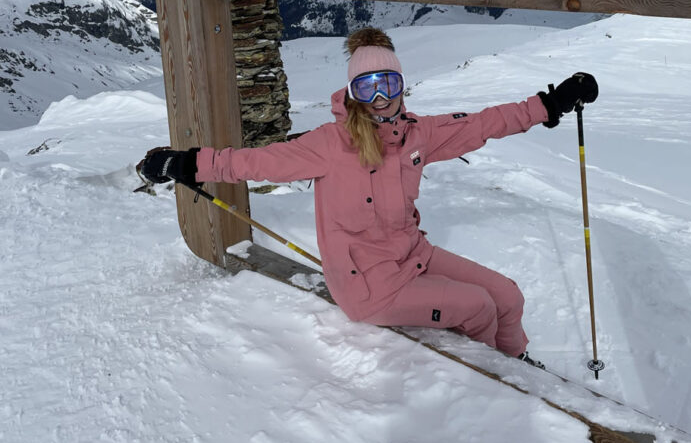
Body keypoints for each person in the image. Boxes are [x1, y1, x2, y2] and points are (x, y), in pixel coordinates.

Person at [141, 27, 598, 366]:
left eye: (388, 84)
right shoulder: (329, 144)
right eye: (367, 87)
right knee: (478, 305)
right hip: (368, 286)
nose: (380, 97)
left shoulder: (418, 134)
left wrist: (549, 104)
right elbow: (252, 163)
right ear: (353, 94)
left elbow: (482, 124)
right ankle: (494, 378)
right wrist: (187, 164)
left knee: (507, 296)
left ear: (402, 86)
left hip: (413, 255)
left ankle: (517, 364)